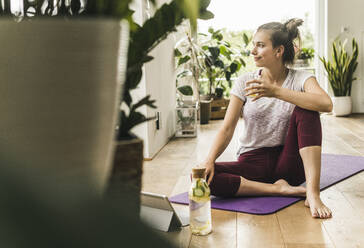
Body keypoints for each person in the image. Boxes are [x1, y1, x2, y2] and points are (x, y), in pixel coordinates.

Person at [202, 18, 333, 219]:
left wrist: (275, 92)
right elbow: (227, 128)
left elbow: (326, 104)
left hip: (289, 163)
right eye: (253, 45)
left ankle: (313, 194)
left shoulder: (301, 78)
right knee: (202, 178)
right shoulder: (244, 81)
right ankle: (278, 189)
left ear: (278, 51)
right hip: (253, 161)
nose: (253, 51)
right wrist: (210, 160)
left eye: (260, 45)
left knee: (308, 109)